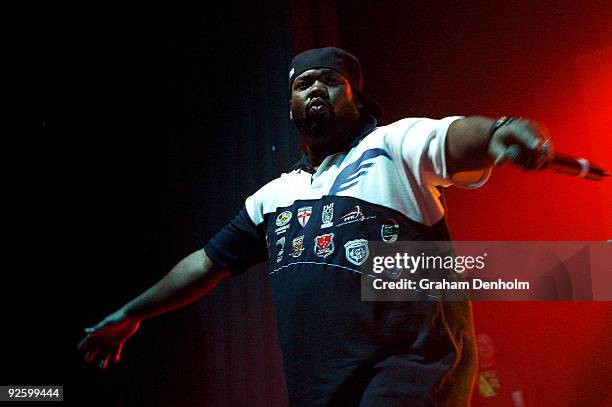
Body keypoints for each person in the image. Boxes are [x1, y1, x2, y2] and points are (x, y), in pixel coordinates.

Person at [78, 47, 551, 406]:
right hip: (321, 389)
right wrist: (130, 313)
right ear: (290, 108)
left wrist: (499, 132)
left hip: (409, 375)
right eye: (304, 84)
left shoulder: (393, 146)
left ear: (356, 97)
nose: (316, 90)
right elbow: (206, 264)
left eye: (331, 81)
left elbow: (453, 137)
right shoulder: (273, 196)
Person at [472, 333, 526, 407]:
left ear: (495, 349)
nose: (485, 346)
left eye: (488, 342)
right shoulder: (468, 374)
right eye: (480, 343)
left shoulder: (506, 372)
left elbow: (518, 402)